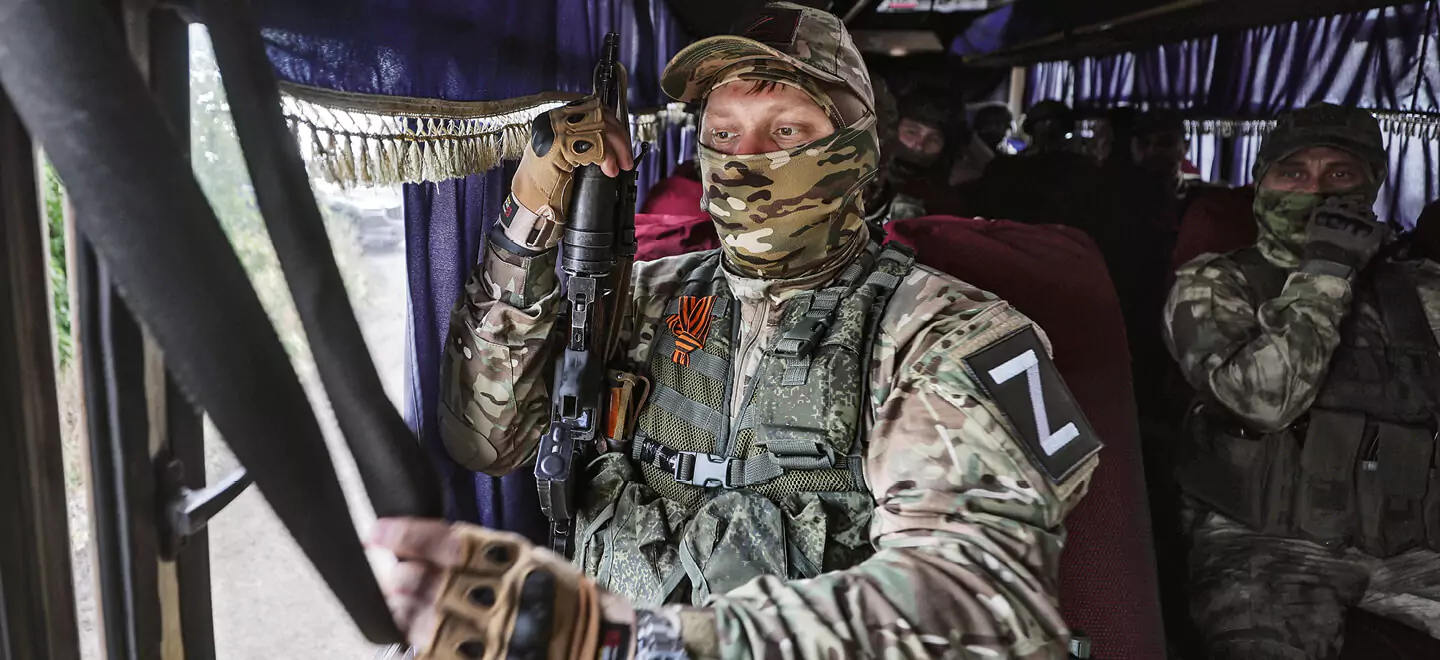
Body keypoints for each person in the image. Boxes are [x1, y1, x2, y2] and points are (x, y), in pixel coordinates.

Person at [374, 4, 1101, 659]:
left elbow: (981, 597)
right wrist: (529, 221)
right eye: (723, 133)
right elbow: (487, 439)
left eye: (787, 131)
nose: (746, 159)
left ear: (855, 150)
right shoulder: (649, 295)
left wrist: (643, 642)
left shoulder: (946, 331)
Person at [1166, 103, 1440, 659]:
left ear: (1373, 186)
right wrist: (1324, 273)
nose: (1314, 190)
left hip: (1413, 544)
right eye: (1292, 173)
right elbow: (1263, 404)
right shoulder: (1214, 283)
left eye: (1340, 174)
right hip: (1265, 543)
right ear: (1260, 182)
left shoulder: (1423, 290)